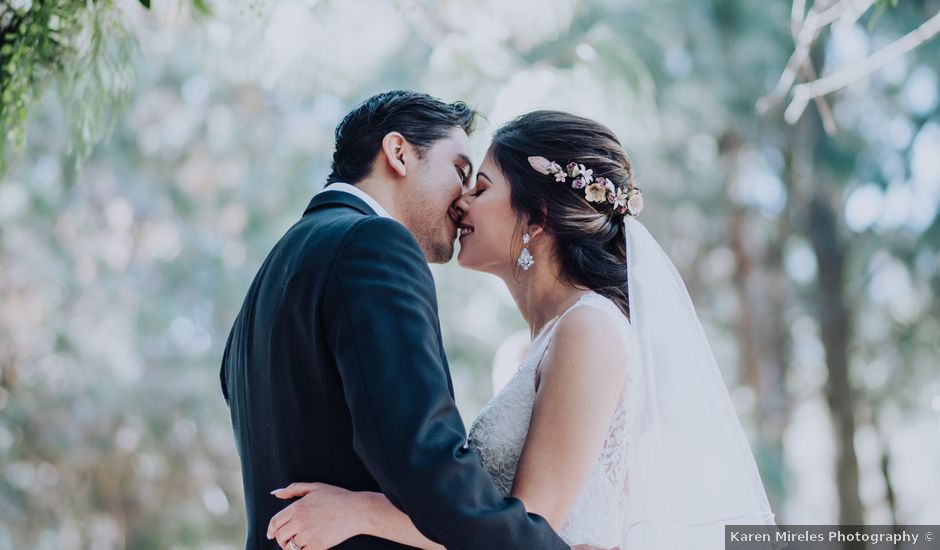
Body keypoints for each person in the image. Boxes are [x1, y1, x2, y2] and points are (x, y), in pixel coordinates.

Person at [267, 110, 776, 549]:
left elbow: (528, 528)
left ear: (535, 216)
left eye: (481, 187)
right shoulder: (532, 347)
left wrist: (360, 512)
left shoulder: (590, 330)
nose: (461, 202)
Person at [220, 92, 578, 550]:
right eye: (460, 171)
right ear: (398, 153)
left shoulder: (265, 287)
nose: (465, 198)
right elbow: (427, 463)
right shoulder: (373, 242)